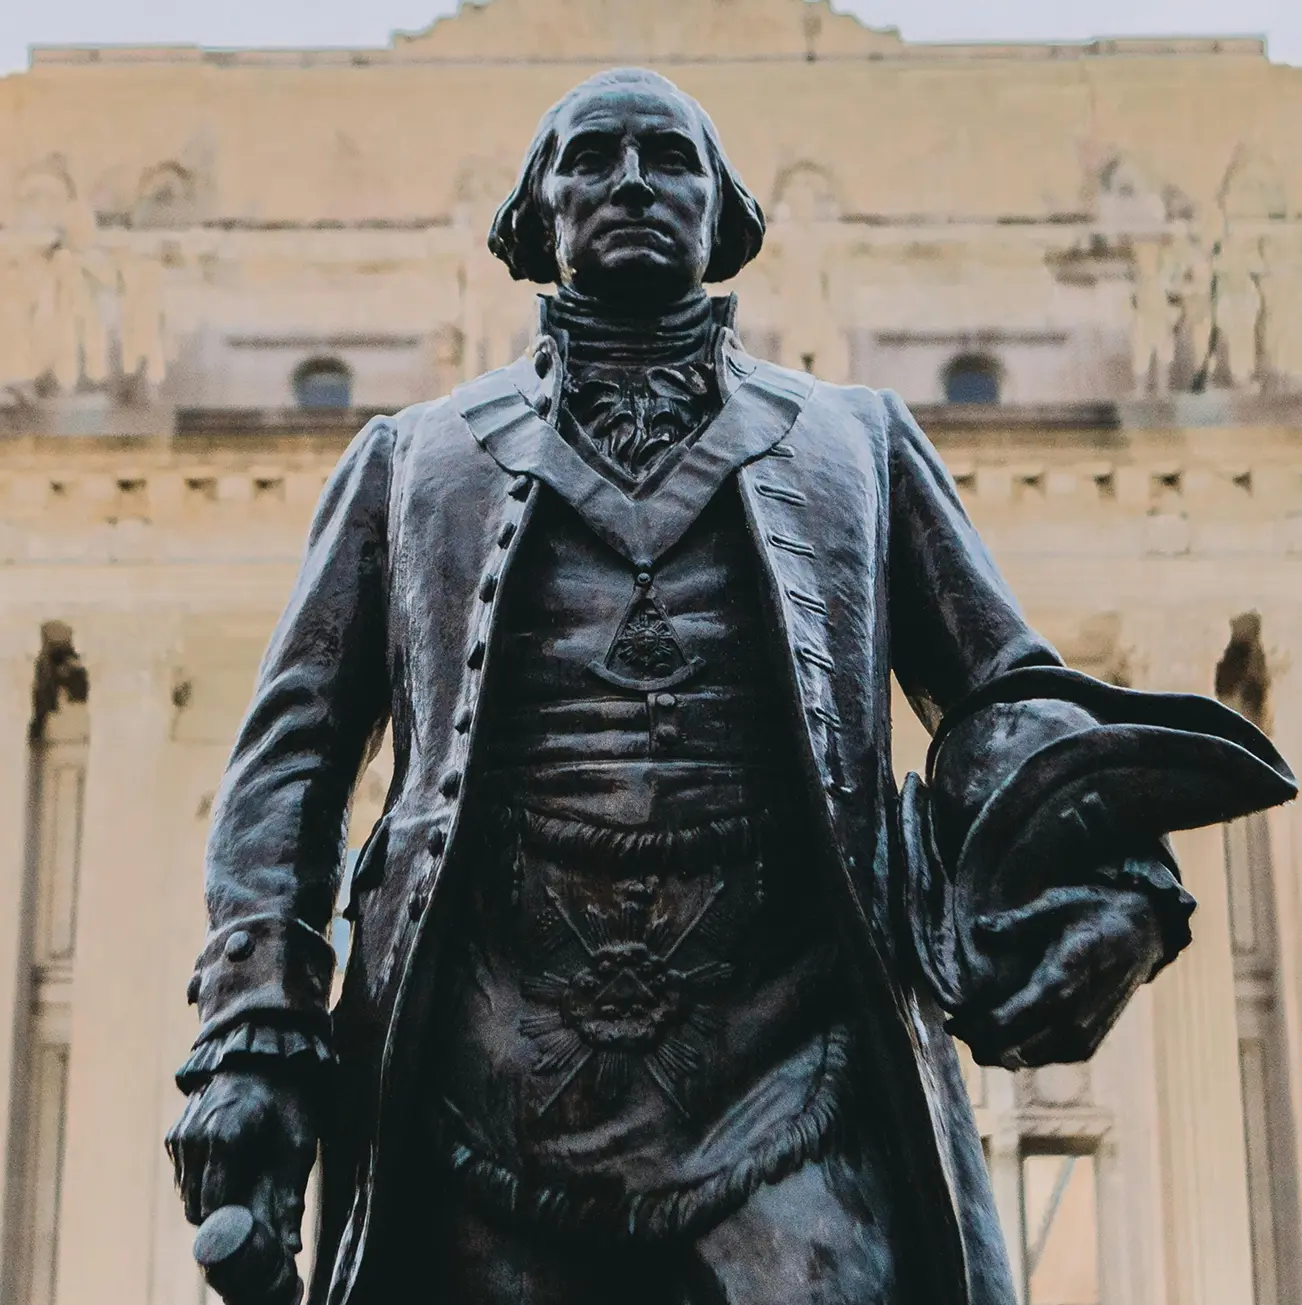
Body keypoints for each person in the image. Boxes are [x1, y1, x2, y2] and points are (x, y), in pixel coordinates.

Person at [166, 68, 1295, 1305]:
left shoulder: (855, 443)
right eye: (590, 159)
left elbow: (999, 695)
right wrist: (253, 1030)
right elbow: (289, 760)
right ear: (535, 215)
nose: (634, 182)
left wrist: (1106, 880)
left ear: (727, 212)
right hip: (478, 1061)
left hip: (789, 1056)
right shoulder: (410, 458)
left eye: (673, 157)